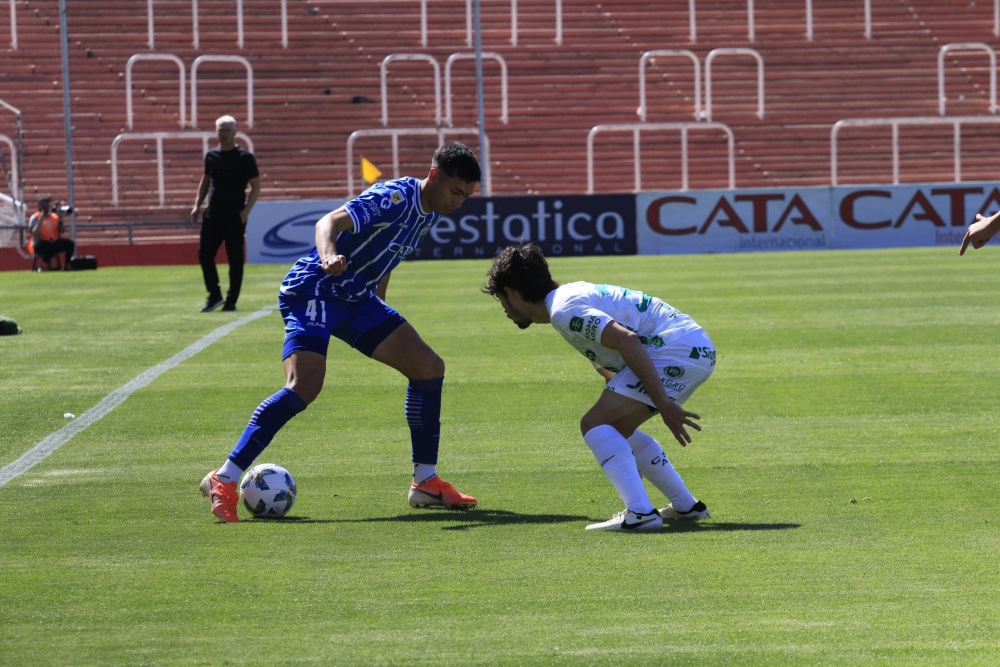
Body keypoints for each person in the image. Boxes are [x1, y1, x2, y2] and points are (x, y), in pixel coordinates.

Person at [199, 142, 482, 522]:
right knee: (304, 385)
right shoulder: (395, 197)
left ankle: (425, 481)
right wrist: (329, 255)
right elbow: (327, 223)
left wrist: (381, 307)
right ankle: (224, 477)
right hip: (316, 288)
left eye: (466, 196)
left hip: (356, 299)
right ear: (434, 176)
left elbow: (387, 258)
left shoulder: (430, 213)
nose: (459, 203)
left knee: (428, 367)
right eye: (456, 192)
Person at [482, 242, 715, 531]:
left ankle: (641, 514)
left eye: (501, 300)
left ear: (513, 293)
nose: (504, 309)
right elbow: (612, 369)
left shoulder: (564, 311)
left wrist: (664, 404)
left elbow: (627, 340)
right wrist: (621, 450)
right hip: (690, 346)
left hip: (675, 349)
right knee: (611, 427)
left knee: (593, 423)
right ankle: (687, 507)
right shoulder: (568, 298)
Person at [191, 115, 261, 312]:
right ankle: (214, 295)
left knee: (235, 259)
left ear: (235, 132)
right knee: (204, 254)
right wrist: (197, 205)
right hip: (212, 214)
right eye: (221, 129)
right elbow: (205, 181)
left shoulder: (245, 157)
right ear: (216, 132)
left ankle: (231, 301)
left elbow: (256, 186)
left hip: (234, 216)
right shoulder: (211, 156)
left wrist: (246, 211)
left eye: (228, 130)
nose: (224, 133)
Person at [28, 196, 75, 270]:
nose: (45, 207)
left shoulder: (54, 216)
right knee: (48, 245)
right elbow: (34, 233)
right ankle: (44, 266)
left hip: (54, 241)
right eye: (43, 205)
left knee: (70, 244)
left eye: (46, 204)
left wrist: (60, 220)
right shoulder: (35, 217)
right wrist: (41, 219)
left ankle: (67, 264)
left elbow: (62, 231)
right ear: (39, 206)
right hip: (40, 243)